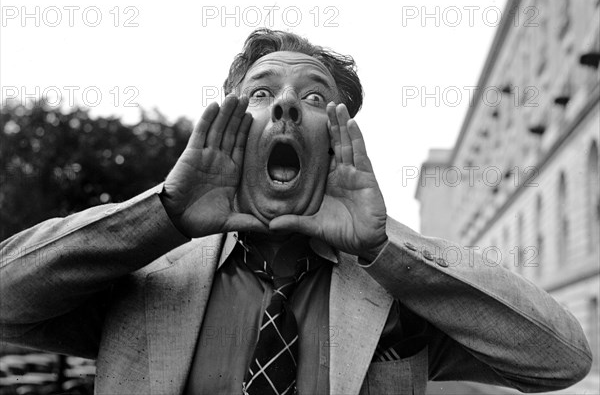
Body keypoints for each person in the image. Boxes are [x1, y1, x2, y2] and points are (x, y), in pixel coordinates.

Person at [0, 29, 592, 395]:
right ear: (232, 124)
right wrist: (163, 215)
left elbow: (559, 361)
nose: (285, 104)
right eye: (260, 93)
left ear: (336, 140)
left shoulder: (396, 291)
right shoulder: (147, 274)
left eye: (314, 97)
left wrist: (384, 249)